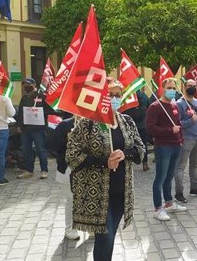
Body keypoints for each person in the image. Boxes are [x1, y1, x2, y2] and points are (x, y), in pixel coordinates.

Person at [66, 80, 145, 260]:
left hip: (120, 191)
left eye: (118, 95)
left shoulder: (127, 121)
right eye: (110, 94)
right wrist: (104, 162)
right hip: (96, 193)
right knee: (106, 235)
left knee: (107, 236)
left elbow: (140, 150)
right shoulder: (88, 123)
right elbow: (72, 155)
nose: (114, 98)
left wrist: (124, 154)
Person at [147, 78, 187, 221]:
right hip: (163, 146)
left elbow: (178, 124)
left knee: (169, 177)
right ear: (163, 88)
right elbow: (151, 128)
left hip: (176, 145)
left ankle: (169, 202)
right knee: (160, 178)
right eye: (169, 87)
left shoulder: (174, 105)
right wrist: (170, 130)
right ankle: (158, 208)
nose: (171, 90)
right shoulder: (155, 106)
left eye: (173, 88)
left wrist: (180, 139)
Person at [174, 79, 197, 203]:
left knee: (194, 166)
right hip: (187, 139)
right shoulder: (179, 104)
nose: (192, 88)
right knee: (180, 167)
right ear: (184, 87)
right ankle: (179, 192)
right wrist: (190, 121)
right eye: (189, 86)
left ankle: (195, 187)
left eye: (194, 86)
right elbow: (177, 124)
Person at [47, 115, 79, 240]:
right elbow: (51, 145)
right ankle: (70, 228)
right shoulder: (65, 125)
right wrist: (66, 140)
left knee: (88, 198)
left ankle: (89, 226)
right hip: (67, 169)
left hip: (88, 169)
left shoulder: (94, 124)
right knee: (71, 199)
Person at [16, 78, 55, 180]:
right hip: (25, 129)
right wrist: (19, 126)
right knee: (26, 150)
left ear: (34, 85)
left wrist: (39, 112)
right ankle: (29, 170)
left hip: (38, 129)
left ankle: (44, 170)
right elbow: (20, 113)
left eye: (28, 84)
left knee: (41, 150)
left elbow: (50, 109)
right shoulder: (24, 98)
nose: (26, 86)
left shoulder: (41, 96)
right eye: (24, 85)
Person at [124, 89, 151, 171]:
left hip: (130, 124)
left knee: (129, 144)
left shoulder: (128, 96)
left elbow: (124, 110)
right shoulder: (144, 96)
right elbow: (149, 107)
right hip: (142, 125)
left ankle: (129, 161)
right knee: (143, 144)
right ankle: (145, 162)